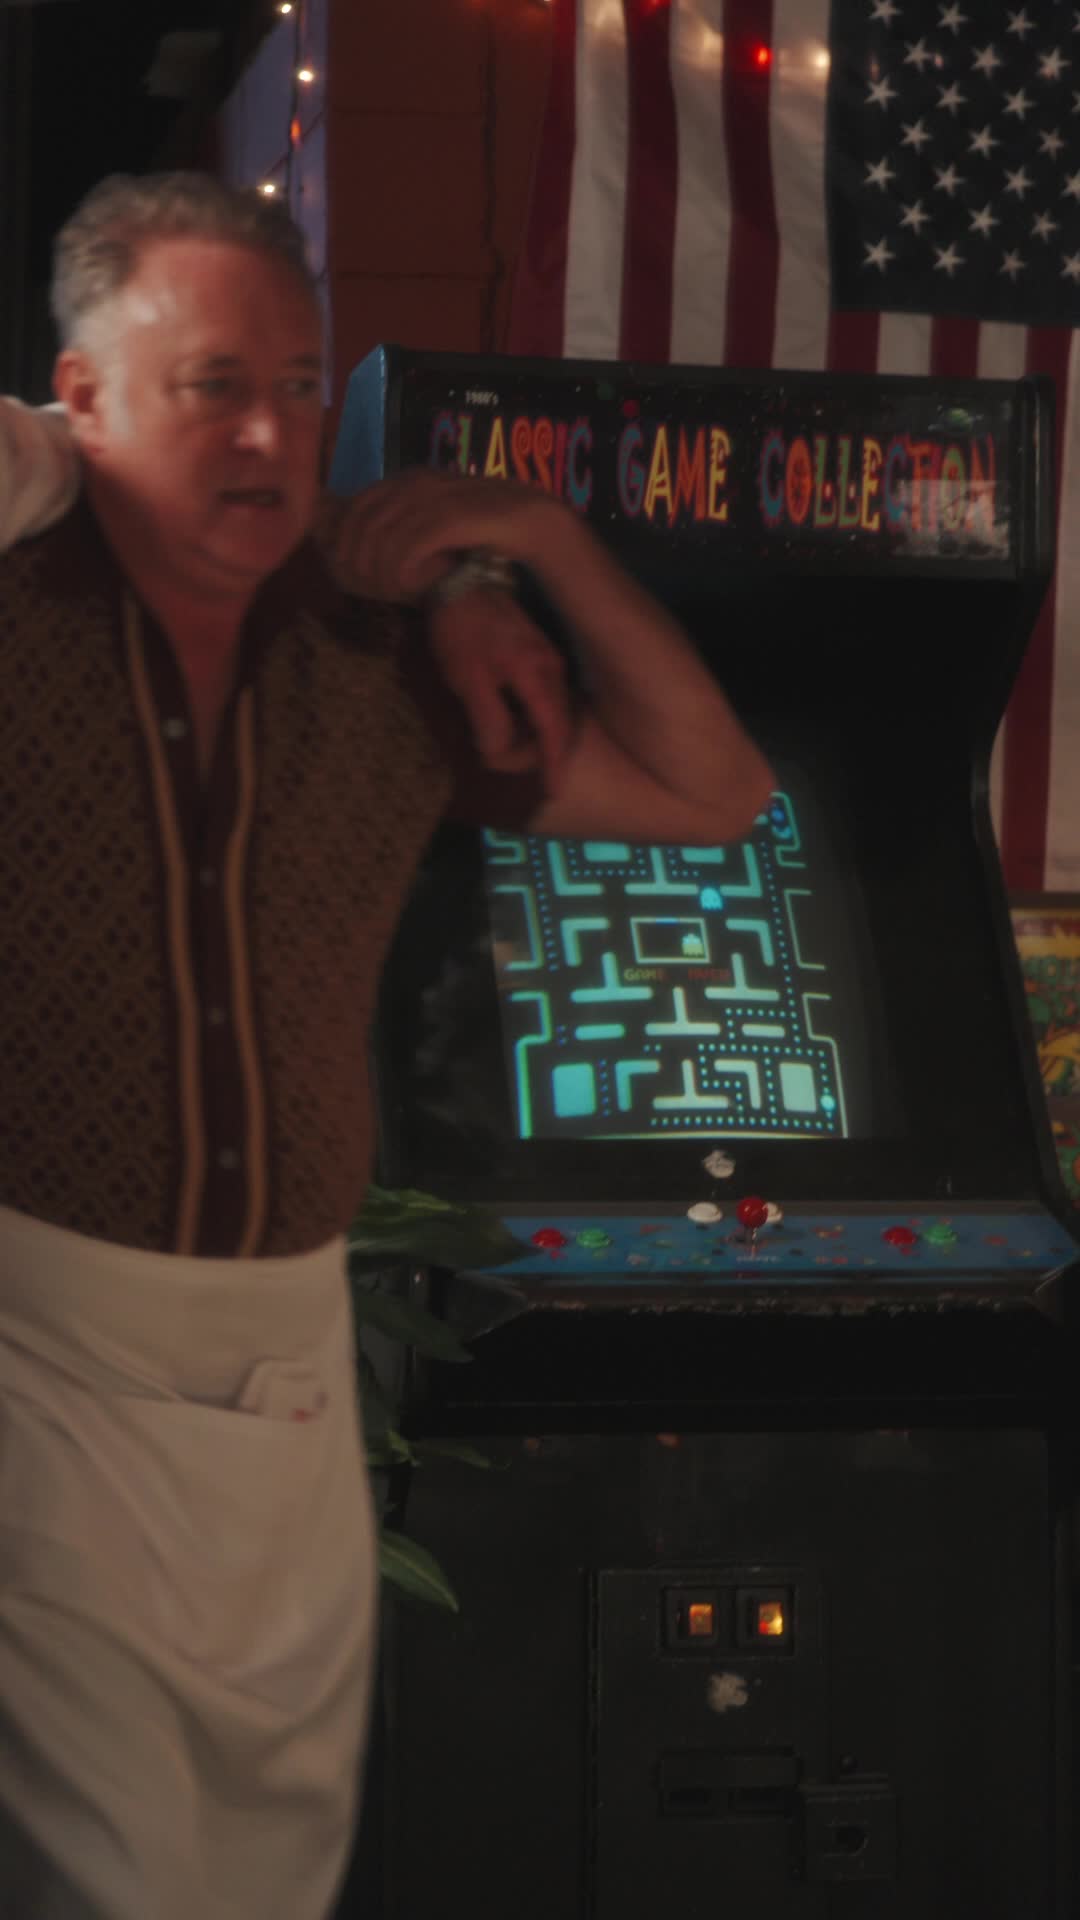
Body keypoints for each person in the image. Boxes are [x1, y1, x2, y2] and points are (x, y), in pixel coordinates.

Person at [0, 171, 773, 1920]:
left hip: (284, 1350)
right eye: (211, 384)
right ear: (86, 397)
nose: (269, 434)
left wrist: (537, 540)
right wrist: (59, 464)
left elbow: (718, 796)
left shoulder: (377, 652)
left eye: (296, 383)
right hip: (40, 1339)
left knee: (264, 1864)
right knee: (113, 1869)